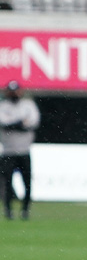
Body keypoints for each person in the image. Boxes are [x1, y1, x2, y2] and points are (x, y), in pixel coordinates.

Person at [0, 81, 40, 220]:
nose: (14, 94)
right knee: (6, 182)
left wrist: (14, 124)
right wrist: (19, 123)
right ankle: (8, 211)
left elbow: (33, 122)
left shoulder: (28, 105)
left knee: (27, 182)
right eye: (11, 91)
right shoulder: (3, 106)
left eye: (16, 91)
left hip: (24, 150)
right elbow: (4, 122)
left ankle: (25, 210)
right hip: (8, 151)